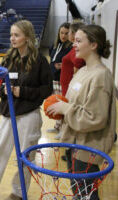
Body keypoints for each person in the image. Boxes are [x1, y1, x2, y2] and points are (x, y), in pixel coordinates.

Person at [0, 20, 53, 200]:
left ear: (27, 37)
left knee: (25, 156)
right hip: (8, 113)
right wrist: (3, 90)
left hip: (29, 115)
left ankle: (19, 192)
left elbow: (46, 90)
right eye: (11, 35)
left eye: (17, 35)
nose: (12, 39)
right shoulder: (8, 59)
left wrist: (22, 91)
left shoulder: (39, 61)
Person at [46, 24, 116, 200]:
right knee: (79, 193)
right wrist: (59, 108)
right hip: (73, 142)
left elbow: (95, 118)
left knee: (87, 195)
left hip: (88, 148)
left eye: (78, 41)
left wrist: (65, 108)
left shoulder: (101, 76)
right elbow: (73, 104)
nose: (74, 44)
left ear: (93, 45)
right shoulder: (84, 70)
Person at [55, 22, 85, 140]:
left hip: (69, 86)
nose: (67, 35)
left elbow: (77, 65)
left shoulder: (74, 49)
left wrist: (74, 85)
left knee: (68, 110)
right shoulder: (73, 48)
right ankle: (64, 131)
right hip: (66, 84)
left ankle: (67, 134)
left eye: (69, 32)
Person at [46, 22, 72, 135]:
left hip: (63, 80)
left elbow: (68, 64)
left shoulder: (70, 48)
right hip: (53, 79)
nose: (64, 35)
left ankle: (64, 130)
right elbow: (52, 60)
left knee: (63, 105)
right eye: (62, 33)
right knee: (56, 104)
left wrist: (61, 65)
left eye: (66, 33)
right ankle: (57, 126)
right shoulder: (55, 45)